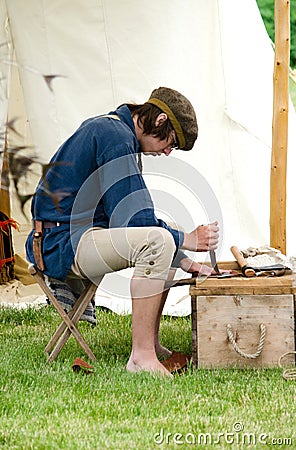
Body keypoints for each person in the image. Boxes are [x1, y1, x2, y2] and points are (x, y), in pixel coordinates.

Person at [26, 86, 220, 378]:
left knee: (167, 236)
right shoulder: (115, 137)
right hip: (60, 242)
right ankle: (140, 357)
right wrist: (189, 241)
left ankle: (150, 345)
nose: (168, 151)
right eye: (171, 142)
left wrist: (184, 259)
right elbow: (135, 220)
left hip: (73, 234)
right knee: (158, 241)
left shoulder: (115, 131)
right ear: (160, 120)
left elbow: (130, 215)